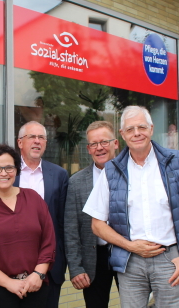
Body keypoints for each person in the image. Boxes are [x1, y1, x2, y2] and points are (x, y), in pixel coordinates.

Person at [83, 106, 179, 308]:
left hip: (170, 258)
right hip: (131, 262)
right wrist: (130, 246)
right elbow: (97, 224)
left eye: (141, 127)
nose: (137, 133)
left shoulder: (175, 161)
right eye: (130, 129)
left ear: (151, 129)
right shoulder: (111, 170)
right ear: (122, 135)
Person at [0, 121, 69, 308]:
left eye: (9, 168)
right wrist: (9, 283)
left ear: (16, 170)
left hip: (36, 286)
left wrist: (39, 274)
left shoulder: (35, 197)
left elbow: (51, 236)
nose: (3, 173)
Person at [64, 121, 119, 308]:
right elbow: (71, 228)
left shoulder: (132, 174)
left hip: (128, 255)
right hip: (94, 258)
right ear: (88, 149)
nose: (99, 148)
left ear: (116, 143)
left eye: (104, 142)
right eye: (94, 144)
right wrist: (76, 268)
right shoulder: (76, 182)